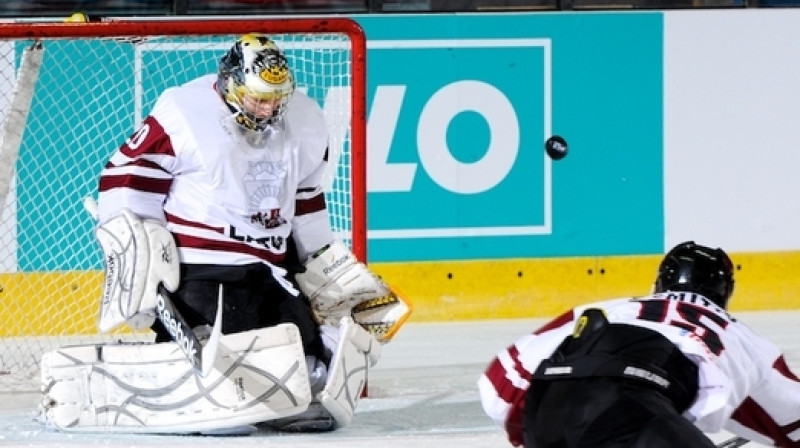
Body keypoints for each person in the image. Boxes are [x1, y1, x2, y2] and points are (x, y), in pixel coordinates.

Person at [37, 33, 409, 435]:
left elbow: (305, 199)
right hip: (200, 265)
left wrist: (321, 259)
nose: (267, 109)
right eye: (257, 99)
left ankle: (276, 400)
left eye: (275, 99)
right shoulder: (184, 110)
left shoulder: (306, 118)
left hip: (268, 267)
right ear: (231, 83)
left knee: (309, 358)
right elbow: (124, 177)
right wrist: (135, 250)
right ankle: (193, 385)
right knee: (220, 348)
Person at [479, 241, 800, 448]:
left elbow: (498, 389)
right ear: (725, 294)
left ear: (659, 283)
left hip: (549, 415)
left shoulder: (610, 308)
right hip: (634, 411)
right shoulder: (738, 336)